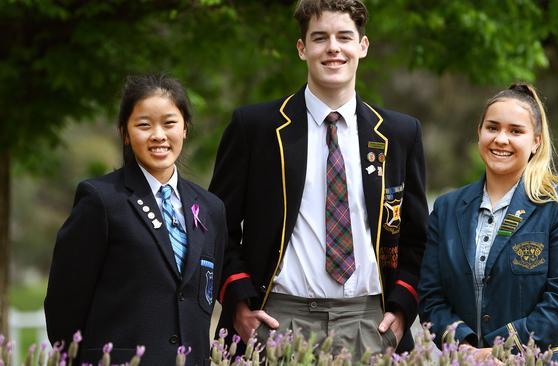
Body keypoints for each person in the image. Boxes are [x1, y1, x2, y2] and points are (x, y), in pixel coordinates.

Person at [208, 0, 428, 358]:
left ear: (363, 46)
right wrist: (239, 305)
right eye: (320, 38)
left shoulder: (400, 134)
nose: (333, 48)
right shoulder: (256, 129)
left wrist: (402, 309)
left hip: (371, 325)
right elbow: (218, 227)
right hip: (278, 319)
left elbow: (417, 238)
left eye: (344, 36)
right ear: (302, 48)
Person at [45, 74, 227, 366]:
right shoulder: (101, 200)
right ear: (125, 133)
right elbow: (64, 303)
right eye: (144, 125)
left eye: (169, 123)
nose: (158, 135)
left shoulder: (211, 208)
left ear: (185, 129)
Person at [418, 83, 558, 365]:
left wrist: (502, 349)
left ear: (536, 141)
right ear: (479, 133)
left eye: (515, 131)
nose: (501, 139)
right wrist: (466, 347)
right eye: (492, 127)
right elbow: (431, 297)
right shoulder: (447, 208)